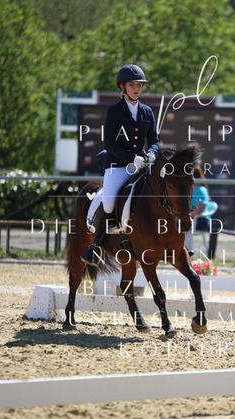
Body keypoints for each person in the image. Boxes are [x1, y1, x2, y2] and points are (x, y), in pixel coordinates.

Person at [81, 64, 160, 267]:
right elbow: (109, 144)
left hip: (141, 166)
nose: (136, 89)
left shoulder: (147, 112)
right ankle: (95, 246)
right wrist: (131, 157)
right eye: (132, 85)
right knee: (108, 203)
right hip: (118, 165)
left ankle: (170, 242)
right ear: (122, 87)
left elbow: (154, 140)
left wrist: (152, 152)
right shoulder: (114, 111)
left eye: (139, 85)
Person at [185, 167, 217, 256]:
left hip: (202, 220)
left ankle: (187, 252)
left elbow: (200, 210)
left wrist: (186, 216)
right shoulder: (187, 189)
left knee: (183, 225)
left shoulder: (201, 190)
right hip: (191, 218)